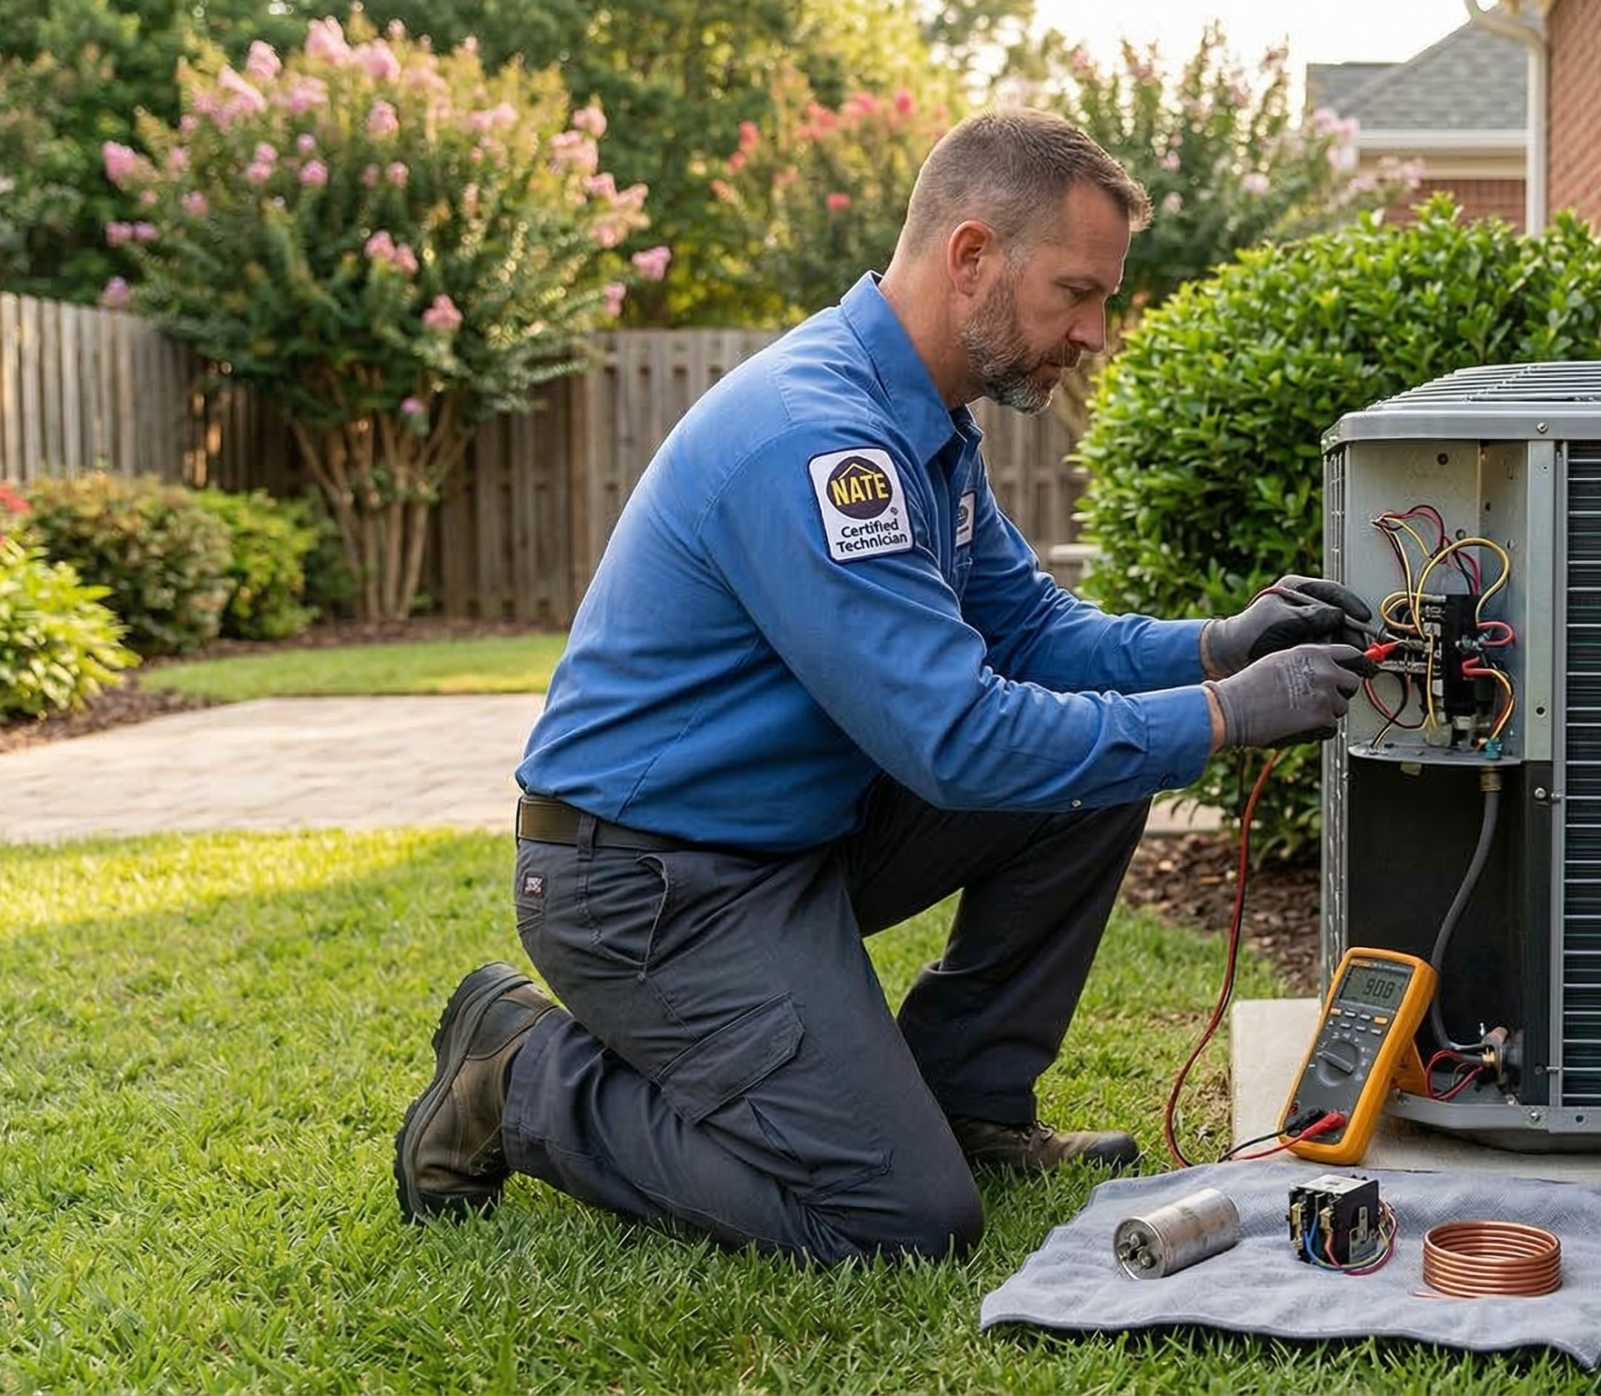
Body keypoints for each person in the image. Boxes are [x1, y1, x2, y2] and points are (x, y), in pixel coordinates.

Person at [390, 108, 1375, 1264]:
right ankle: (520, 1074)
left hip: (789, 841)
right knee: (900, 1217)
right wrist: (1224, 716)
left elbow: (1034, 630)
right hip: (646, 884)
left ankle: (967, 1100)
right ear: (972, 257)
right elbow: (957, 741)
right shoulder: (819, 440)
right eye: (1077, 291)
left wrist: (1217, 645)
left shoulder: (928, 426)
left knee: (1091, 769)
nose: (1097, 331)